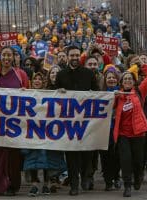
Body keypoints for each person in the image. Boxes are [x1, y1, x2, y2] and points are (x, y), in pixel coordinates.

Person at [0, 46, 29, 196]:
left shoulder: (21, 74)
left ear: (14, 57)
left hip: (15, 123)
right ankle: (0, 183)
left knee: (14, 155)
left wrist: (25, 92)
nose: (7, 58)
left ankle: (13, 185)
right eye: (5, 55)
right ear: (0, 57)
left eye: (10, 55)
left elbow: (30, 95)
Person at [55, 46, 98, 196]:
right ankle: (74, 184)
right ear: (67, 57)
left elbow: (97, 93)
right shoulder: (60, 75)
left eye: (77, 55)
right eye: (72, 55)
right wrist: (58, 92)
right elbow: (54, 95)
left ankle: (86, 175)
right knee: (71, 155)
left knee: (87, 153)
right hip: (68, 122)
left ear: (80, 56)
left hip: (85, 121)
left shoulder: (88, 74)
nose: (74, 57)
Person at [113, 57, 147, 197]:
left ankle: (138, 177)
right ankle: (127, 185)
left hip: (138, 133)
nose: (127, 81)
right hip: (123, 134)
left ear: (134, 81)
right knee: (126, 160)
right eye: (125, 79)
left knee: (138, 161)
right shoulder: (117, 95)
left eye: (130, 79)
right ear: (121, 82)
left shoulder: (139, 91)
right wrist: (113, 97)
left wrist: (142, 64)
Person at [99, 66, 121, 191]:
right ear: (105, 80)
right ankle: (108, 181)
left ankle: (116, 177)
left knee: (117, 156)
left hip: (118, 130)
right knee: (105, 157)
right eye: (109, 77)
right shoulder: (100, 94)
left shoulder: (122, 92)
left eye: (113, 77)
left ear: (117, 79)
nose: (111, 79)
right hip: (104, 130)